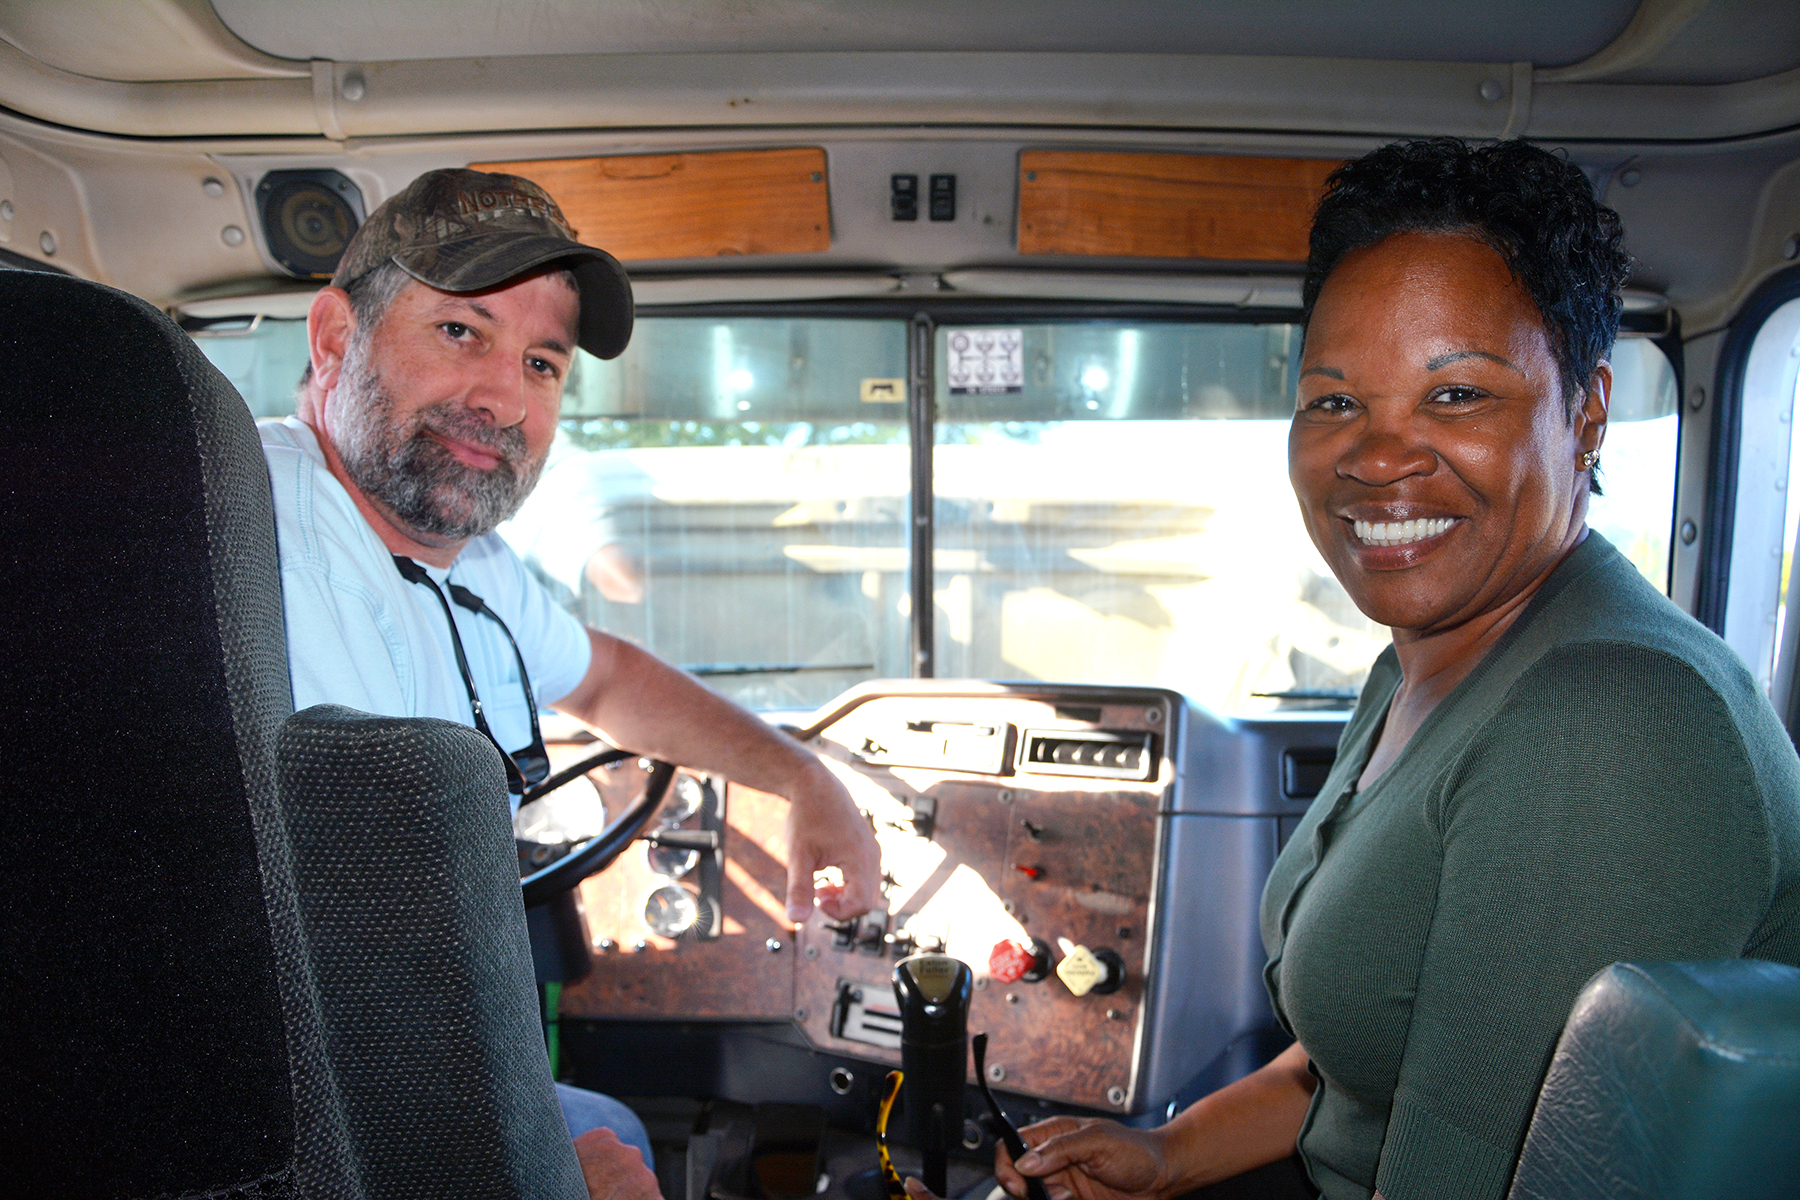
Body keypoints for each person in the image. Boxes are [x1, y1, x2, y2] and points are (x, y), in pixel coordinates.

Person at [925, 139, 1800, 1200]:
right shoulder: (1427, 662)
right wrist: (1167, 1157)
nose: (1379, 459)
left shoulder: (1610, 721)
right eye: (1337, 402)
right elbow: (1364, 1064)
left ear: (1588, 412)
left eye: (1459, 395)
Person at [259, 167, 882, 1197]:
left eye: (541, 362)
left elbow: (607, 680)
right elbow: (316, 985)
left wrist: (803, 778)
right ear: (334, 337)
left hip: (402, 1064)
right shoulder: (277, 544)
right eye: (460, 333)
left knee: (615, 1125)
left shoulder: (467, 563)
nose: (502, 396)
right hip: (325, 1115)